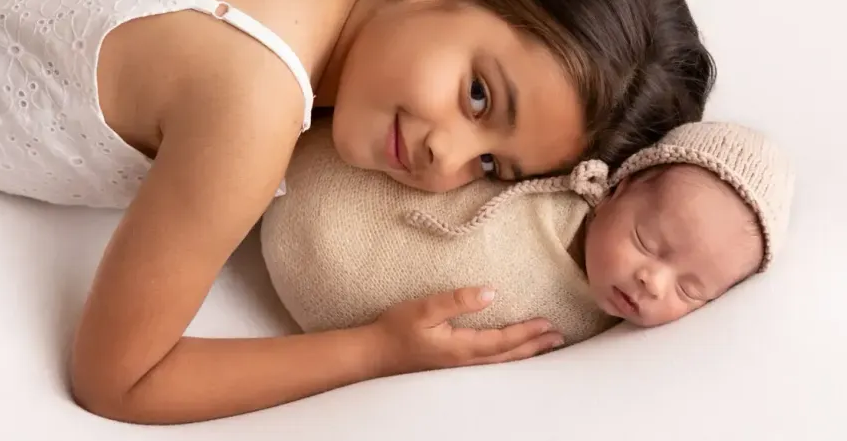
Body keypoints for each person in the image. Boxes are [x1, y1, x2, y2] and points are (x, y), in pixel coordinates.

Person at [0, 0, 714, 424]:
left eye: (492, 169)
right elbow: (120, 381)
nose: (444, 158)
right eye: (479, 97)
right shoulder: (250, 108)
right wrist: (376, 349)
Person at [263, 119, 794, 345]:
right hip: (309, 187)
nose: (653, 282)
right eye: (647, 243)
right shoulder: (552, 183)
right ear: (618, 187)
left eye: (689, 290)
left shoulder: (597, 339)